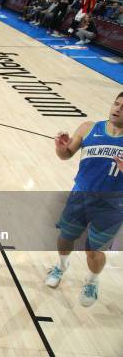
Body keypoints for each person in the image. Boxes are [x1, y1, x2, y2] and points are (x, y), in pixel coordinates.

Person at [45, 92, 123, 307]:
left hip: (112, 206)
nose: (117, 109)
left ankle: (92, 280)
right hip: (80, 197)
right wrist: (60, 148)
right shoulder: (89, 128)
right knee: (65, 237)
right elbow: (66, 154)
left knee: (94, 250)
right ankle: (61, 265)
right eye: (116, 103)